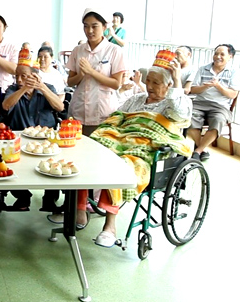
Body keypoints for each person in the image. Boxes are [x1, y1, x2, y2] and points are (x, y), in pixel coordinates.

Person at [81, 52, 192, 247]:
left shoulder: (175, 103)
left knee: (119, 164)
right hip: (121, 141)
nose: (150, 86)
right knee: (89, 154)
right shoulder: (137, 99)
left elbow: (179, 114)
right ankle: (80, 209)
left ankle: (110, 226)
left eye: (156, 83)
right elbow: (116, 118)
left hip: (147, 150)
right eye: (148, 81)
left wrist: (177, 81)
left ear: (168, 85)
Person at [0, 49, 64, 211]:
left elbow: (60, 107)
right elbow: (6, 106)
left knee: (55, 165)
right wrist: (23, 89)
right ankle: (23, 196)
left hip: (45, 140)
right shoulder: (13, 89)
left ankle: (49, 199)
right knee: (10, 164)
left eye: (24, 76)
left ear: (35, 76)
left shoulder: (48, 88)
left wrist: (42, 87)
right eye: (17, 76)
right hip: (20, 139)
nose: (19, 80)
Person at [66, 8, 126, 136]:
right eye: (86, 26)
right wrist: (81, 74)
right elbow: (70, 82)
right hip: (79, 111)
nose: (90, 31)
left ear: (104, 27)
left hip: (103, 113)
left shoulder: (114, 50)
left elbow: (116, 84)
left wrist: (91, 71)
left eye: (94, 26)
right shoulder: (77, 50)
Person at [188, 44, 240, 162]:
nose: (218, 57)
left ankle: (197, 151)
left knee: (218, 120)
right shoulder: (203, 69)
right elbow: (193, 89)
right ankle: (202, 149)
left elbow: (233, 94)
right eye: (216, 53)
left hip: (220, 106)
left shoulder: (234, 72)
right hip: (200, 103)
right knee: (187, 115)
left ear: (230, 56)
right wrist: (205, 86)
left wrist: (218, 86)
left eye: (222, 54)